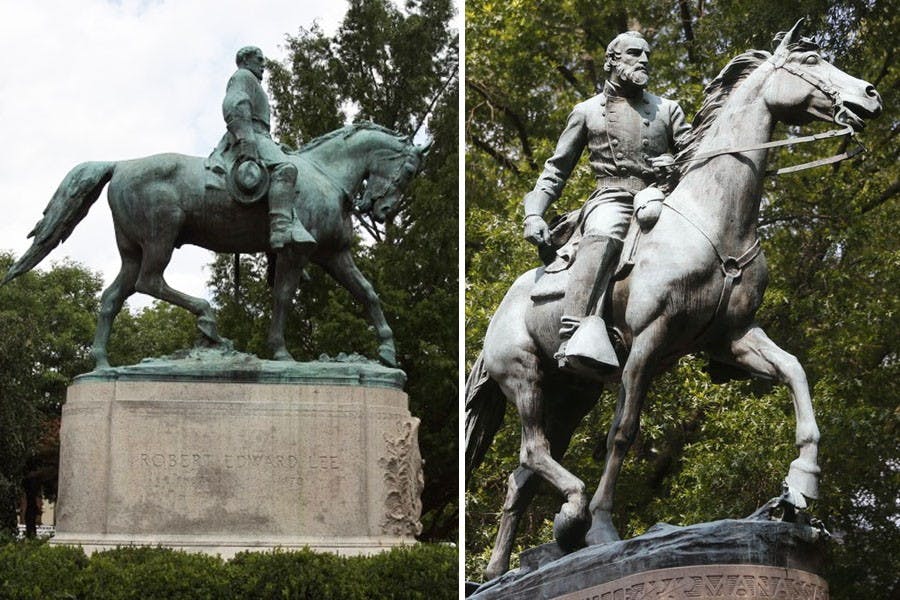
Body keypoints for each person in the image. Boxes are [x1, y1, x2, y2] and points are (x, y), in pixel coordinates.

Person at [522, 31, 691, 374]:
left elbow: (694, 153)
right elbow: (556, 170)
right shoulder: (586, 112)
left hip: (662, 194)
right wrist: (533, 213)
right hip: (612, 196)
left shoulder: (668, 110)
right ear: (613, 60)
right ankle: (574, 333)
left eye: (647, 55)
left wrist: (676, 165)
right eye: (634, 54)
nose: (644, 60)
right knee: (604, 231)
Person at [218, 46, 315, 253]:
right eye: (259, 60)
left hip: (262, 136)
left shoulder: (253, 82)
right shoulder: (243, 76)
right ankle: (281, 229)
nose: (263, 65)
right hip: (252, 134)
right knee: (285, 169)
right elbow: (235, 104)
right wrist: (246, 138)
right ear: (245, 60)